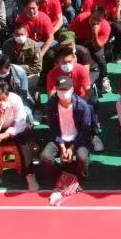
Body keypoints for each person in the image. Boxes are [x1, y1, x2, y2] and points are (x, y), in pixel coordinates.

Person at [40, 74, 93, 204]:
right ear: (56, 90)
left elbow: (85, 130)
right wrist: (63, 146)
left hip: (78, 139)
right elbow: (53, 128)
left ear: (72, 89)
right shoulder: (51, 104)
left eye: (66, 89)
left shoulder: (82, 106)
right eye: (60, 90)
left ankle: (79, 178)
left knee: (82, 158)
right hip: (60, 138)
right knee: (45, 157)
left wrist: (71, 148)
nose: (63, 93)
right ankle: (62, 174)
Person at [0, 81, 37, 194]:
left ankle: (30, 175)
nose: (2, 102)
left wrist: (5, 134)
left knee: (24, 142)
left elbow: (21, 124)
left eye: (4, 99)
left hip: (15, 127)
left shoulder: (16, 99)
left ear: (8, 96)